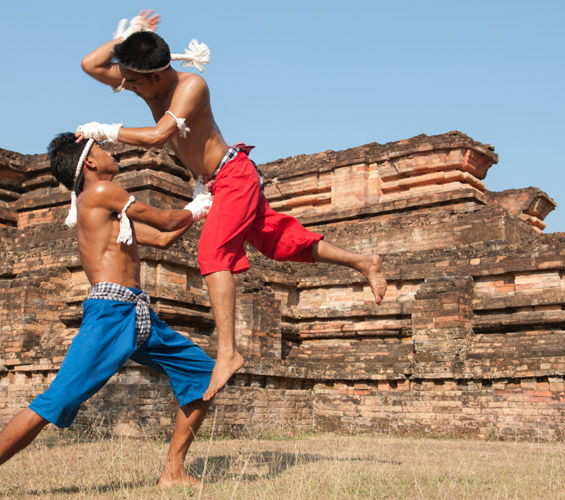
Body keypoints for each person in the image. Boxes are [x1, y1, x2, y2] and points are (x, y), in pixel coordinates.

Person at [77, 9, 388, 401]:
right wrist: (132, 35)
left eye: (136, 83)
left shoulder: (192, 86)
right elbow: (92, 64)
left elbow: (159, 136)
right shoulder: (147, 80)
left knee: (212, 253)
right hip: (214, 182)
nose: (131, 89)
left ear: (156, 75)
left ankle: (228, 351)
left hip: (233, 174)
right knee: (277, 241)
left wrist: (103, 130)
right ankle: (363, 261)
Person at [0, 132, 216, 499]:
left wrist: (201, 204)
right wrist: (200, 202)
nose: (111, 152)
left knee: (202, 375)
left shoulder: (107, 211)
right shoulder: (103, 193)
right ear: (89, 162)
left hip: (138, 313)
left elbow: (165, 238)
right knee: (57, 400)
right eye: (103, 148)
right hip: (110, 313)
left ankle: (173, 471)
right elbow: (168, 221)